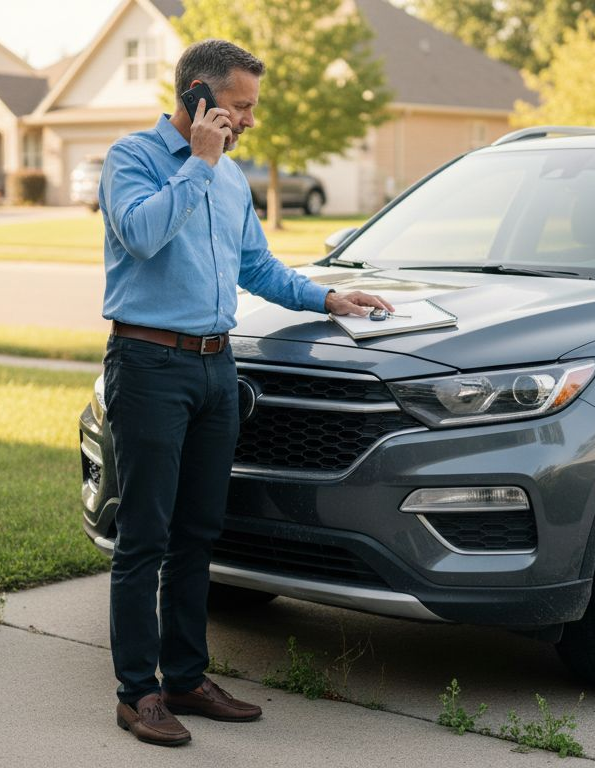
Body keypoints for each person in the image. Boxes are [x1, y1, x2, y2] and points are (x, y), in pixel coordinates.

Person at [97, 38, 393, 748]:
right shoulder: (133, 160)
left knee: (199, 531)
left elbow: (258, 266)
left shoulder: (230, 179)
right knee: (145, 535)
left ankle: (186, 679)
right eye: (241, 106)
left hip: (215, 368)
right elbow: (139, 236)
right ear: (198, 97)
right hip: (148, 363)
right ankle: (138, 694)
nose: (250, 121)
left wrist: (329, 296)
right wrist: (199, 163)